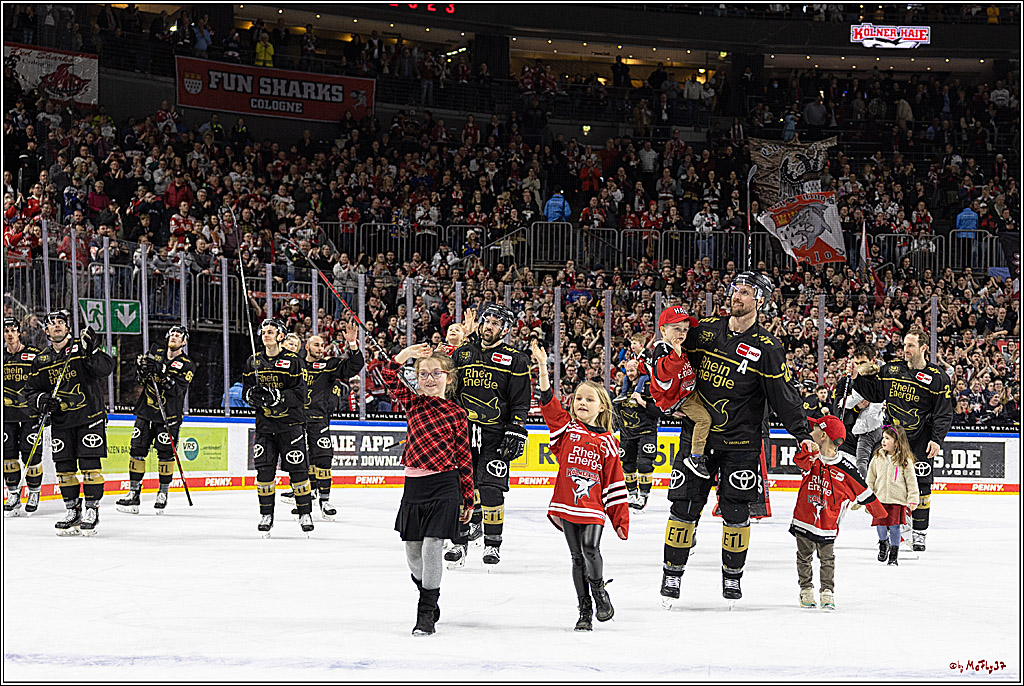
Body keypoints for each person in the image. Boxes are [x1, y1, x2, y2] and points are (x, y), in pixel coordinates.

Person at [659, 273, 817, 607]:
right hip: (696, 438)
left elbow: (784, 397)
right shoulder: (706, 330)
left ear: (760, 301)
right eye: (734, 290)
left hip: (741, 445)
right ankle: (672, 573)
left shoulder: (769, 349)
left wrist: (802, 434)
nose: (737, 296)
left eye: (745, 292)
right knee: (683, 508)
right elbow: (671, 356)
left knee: (736, 514)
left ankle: (732, 579)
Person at [532, 340, 628, 631]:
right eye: (578, 399)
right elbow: (548, 404)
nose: (582, 403)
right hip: (566, 504)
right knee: (576, 558)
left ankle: (598, 590)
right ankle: (584, 610)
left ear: (602, 407)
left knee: (590, 548)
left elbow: (614, 483)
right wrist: (543, 369)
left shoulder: (608, 442)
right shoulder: (567, 429)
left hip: (592, 506)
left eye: (589, 400)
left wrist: (620, 518)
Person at [382, 341, 474, 636]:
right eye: (423, 374)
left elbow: (464, 456)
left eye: (436, 373)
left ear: (449, 378)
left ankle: (425, 612)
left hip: (445, 485)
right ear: (417, 378)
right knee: (412, 551)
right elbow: (385, 373)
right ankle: (428, 594)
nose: (430, 378)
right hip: (415, 485)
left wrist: (468, 498)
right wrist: (407, 355)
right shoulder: (413, 403)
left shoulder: (458, 414)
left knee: (433, 545)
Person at [444, 303, 531, 568]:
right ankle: (459, 542)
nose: (489, 326)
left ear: (504, 330)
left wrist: (516, 429)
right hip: (462, 432)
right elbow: (449, 390)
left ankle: (493, 544)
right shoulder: (463, 354)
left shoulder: (515, 359)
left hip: (497, 433)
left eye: (495, 323)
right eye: (487, 321)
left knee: (491, 489)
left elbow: (520, 400)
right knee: (460, 488)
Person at [853, 325, 953, 552]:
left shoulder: (937, 377)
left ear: (923, 348)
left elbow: (943, 412)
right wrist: (859, 375)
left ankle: (919, 533)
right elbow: (875, 394)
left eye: (910, 346)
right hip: (893, 437)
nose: (905, 349)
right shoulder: (891, 369)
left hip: (921, 439)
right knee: (888, 483)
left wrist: (937, 439)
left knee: (922, 486)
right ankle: (891, 530)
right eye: (904, 345)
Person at [26, 310, 114, 535]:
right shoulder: (41, 360)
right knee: (64, 469)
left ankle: (91, 509)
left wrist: (93, 350)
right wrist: (42, 400)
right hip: (61, 421)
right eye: (51, 323)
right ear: (45, 331)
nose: (56, 326)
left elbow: (106, 369)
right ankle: (72, 509)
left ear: (68, 328)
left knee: (90, 467)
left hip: (89, 417)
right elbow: (30, 392)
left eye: (61, 323)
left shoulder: (81, 347)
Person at [790, 415, 887, 610]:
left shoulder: (846, 468)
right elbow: (800, 461)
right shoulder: (810, 455)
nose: (810, 433)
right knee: (804, 556)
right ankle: (806, 589)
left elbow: (863, 490)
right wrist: (809, 450)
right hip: (804, 517)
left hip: (827, 524)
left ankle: (827, 591)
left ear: (823, 435)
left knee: (827, 558)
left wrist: (881, 514)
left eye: (814, 429)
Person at [279, 326, 364, 520]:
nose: (320, 348)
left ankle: (324, 501)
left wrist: (352, 343)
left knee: (324, 457)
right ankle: (306, 496)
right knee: (301, 459)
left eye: (322, 345)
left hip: (318, 420)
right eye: (316, 345)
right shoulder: (295, 365)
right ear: (306, 347)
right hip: (296, 420)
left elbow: (354, 366)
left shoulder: (328, 366)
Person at [242, 319, 313, 537]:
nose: (266, 335)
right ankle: (266, 514)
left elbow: (301, 395)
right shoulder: (253, 362)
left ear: (280, 336)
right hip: (265, 426)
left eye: (271, 332)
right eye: (263, 332)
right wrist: (251, 397)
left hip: (290, 425)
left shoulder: (293, 361)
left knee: (298, 470)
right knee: (264, 471)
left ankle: (305, 512)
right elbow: (247, 391)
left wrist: (278, 396)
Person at [116, 326, 194, 514]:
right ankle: (134, 493)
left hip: (169, 416)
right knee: (136, 449)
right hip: (146, 411)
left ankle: (163, 493)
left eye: (179, 335)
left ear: (184, 342)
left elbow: (176, 390)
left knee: (165, 453)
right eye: (172, 334)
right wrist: (142, 371)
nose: (174, 337)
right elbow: (140, 381)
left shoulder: (187, 364)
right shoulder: (155, 353)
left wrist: (160, 371)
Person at [647, 306, 711, 485]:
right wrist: (675, 354)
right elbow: (664, 375)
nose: (682, 333)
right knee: (704, 420)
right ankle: (696, 457)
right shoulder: (663, 350)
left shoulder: (678, 348)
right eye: (676, 328)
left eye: (685, 329)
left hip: (689, 392)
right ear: (662, 330)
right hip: (682, 399)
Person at [612, 358, 665, 510]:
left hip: (646, 432)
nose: (629, 374)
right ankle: (632, 493)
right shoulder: (622, 389)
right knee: (627, 465)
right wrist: (611, 429)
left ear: (639, 370)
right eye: (627, 371)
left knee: (644, 464)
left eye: (632, 371)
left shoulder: (649, 387)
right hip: (627, 434)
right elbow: (617, 412)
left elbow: (659, 411)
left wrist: (641, 401)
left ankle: (643, 495)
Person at [3, 317, 43, 516]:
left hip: (30, 414)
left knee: (31, 455)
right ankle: (13, 494)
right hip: (6, 415)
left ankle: (34, 492)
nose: (9, 334)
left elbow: (45, 379)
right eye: (6, 330)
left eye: (12, 330)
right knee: (7, 456)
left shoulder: (34, 355)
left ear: (20, 333)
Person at [863, 425, 920, 566]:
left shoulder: (905, 460)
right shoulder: (877, 457)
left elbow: (912, 482)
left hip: (897, 499)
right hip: (879, 499)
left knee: (894, 527)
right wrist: (866, 497)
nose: (883, 441)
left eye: (887, 438)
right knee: (881, 526)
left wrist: (913, 498)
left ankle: (894, 552)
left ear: (897, 441)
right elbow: (870, 478)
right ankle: (884, 543)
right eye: (883, 438)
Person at [836, 344, 885, 477]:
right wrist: (857, 408)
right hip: (851, 440)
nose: (858, 366)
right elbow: (838, 411)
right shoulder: (845, 382)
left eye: (862, 362)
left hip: (878, 436)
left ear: (873, 361)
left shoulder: (882, 379)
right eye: (856, 363)